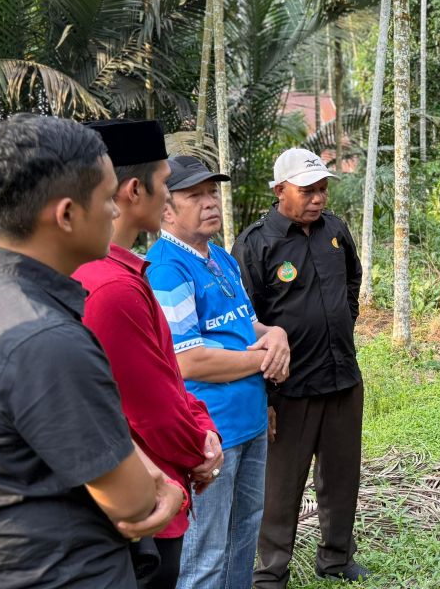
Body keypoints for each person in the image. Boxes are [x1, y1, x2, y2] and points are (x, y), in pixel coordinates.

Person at [0, 114, 183, 589]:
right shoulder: (46, 340)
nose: (113, 211)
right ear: (66, 215)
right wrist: (166, 490)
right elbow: (130, 504)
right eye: (107, 198)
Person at [72, 121, 223, 589]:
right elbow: (150, 407)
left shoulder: (116, 272)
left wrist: (202, 425)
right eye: (166, 184)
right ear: (134, 190)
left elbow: (166, 381)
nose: (171, 198)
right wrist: (200, 448)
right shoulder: (113, 287)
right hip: (148, 496)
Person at [145, 156, 291, 589]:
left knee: (243, 536)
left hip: (247, 420)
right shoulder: (167, 269)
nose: (210, 203)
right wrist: (265, 359)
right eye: (195, 195)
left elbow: (246, 326)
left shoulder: (221, 258)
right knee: (205, 553)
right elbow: (189, 360)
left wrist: (276, 333)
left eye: (212, 193)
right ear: (167, 209)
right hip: (210, 432)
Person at [233, 148, 368, 586]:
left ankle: (335, 559)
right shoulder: (257, 243)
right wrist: (265, 395)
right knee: (281, 486)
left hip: (342, 378)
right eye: (307, 190)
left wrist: (344, 318)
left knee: (342, 477)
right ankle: (271, 572)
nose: (318, 198)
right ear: (280, 191)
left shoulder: (335, 231)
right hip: (288, 389)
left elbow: (353, 277)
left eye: (323, 189)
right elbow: (243, 319)